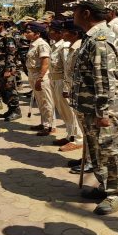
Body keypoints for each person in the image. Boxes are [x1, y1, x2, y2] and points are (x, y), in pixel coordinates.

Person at [69, 0, 118, 215]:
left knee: (112, 151)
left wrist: (103, 112)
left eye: (75, 10)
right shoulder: (91, 37)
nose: (72, 14)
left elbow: (104, 80)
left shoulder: (101, 39)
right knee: (97, 151)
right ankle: (105, 186)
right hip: (92, 108)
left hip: (104, 109)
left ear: (86, 13)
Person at [49, 20, 81, 151]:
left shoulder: (67, 46)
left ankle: (77, 138)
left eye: (64, 31)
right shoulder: (57, 45)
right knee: (64, 111)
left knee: (71, 112)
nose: (62, 33)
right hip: (56, 80)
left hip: (64, 82)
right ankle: (70, 135)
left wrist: (67, 87)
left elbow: (68, 68)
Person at [60, 19, 87, 169]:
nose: (63, 33)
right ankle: (86, 158)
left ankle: (88, 161)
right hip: (73, 91)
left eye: (66, 31)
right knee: (83, 127)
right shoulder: (72, 47)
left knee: (86, 129)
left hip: (80, 93)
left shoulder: (79, 48)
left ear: (75, 34)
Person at [24, 21, 56, 135]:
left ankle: (50, 126)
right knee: (39, 101)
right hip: (33, 74)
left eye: (29, 32)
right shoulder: (34, 43)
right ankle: (44, 123)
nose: (26, 34)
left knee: (46, 101)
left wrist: (40, 78)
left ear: (37, 34)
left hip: (41, 75)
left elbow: (45, 63)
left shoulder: (42, 44)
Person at [0, 17, 22, 121]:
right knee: (2, 89)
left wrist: (8, 69)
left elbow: (11, 53)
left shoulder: (8, 36)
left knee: (10, 89)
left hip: (6, 66)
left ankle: (16, 110)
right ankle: (10, 109)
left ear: (1, 24)